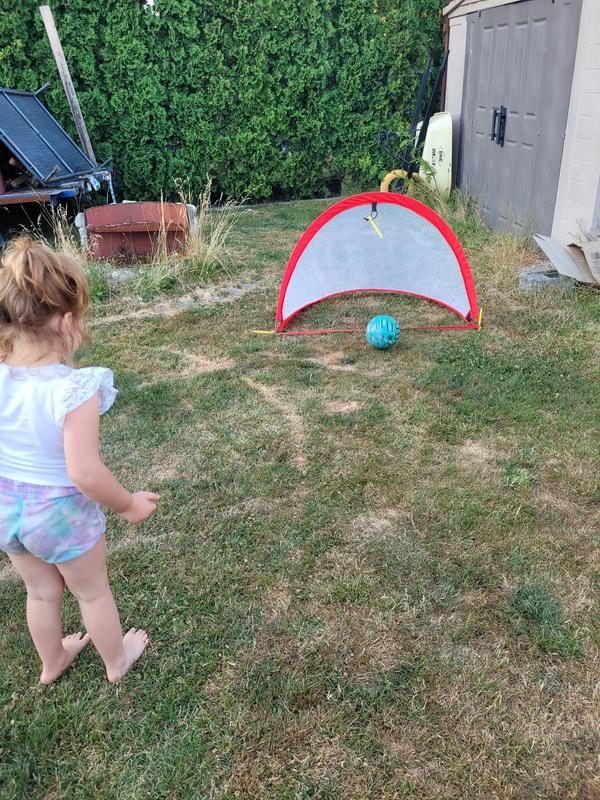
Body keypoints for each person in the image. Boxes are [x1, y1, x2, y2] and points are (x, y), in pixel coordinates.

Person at [0, 237, 159, 684]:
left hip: (7, 507)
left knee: (40, 591)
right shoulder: (73, 389)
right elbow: (85, 472)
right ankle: (117, 660)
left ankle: (53, 661)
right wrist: (127, 504)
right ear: (66, 320)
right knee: (91, 593)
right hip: (57, 514)